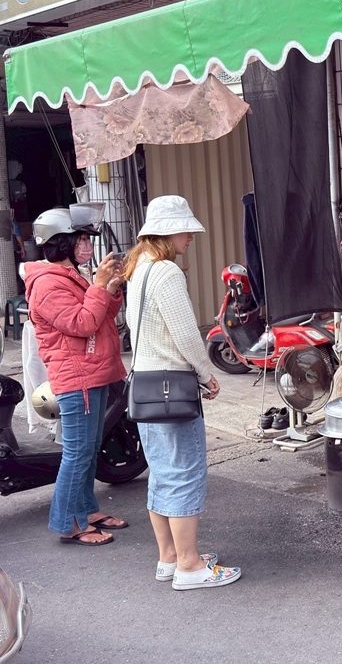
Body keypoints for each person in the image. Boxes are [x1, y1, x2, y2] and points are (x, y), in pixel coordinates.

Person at [122, 195, 240, 590]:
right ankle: (190, 566)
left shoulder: (138, 268)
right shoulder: (167, 273)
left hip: (146, 385)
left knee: (162, 473)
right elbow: (187, 335)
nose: (191, 236)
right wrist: (206, 374)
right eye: (186, 229)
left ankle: (169, 557)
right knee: (184, 474)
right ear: (168, 231)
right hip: (173, 385)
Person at [23, 207, 128, 545]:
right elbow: (80, 324)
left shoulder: (74, 276)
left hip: (93, 372)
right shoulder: (47, 284)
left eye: (86, 238)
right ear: (59, 243)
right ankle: (68, 522)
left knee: (90, 447)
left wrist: (111, 287)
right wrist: (98, 287)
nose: (86, 245)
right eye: (79, 239)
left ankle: (87, 510)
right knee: (78, 451)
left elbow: (102, 316)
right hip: (76, 377)